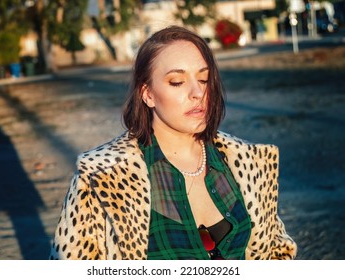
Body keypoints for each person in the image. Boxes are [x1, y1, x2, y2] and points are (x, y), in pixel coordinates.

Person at [49, 25, 297, 260]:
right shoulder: (102, 175)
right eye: (177, 82)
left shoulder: (247, 161)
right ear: (147, 94)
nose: (197, 93)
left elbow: (276, 251)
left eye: (203, 79)